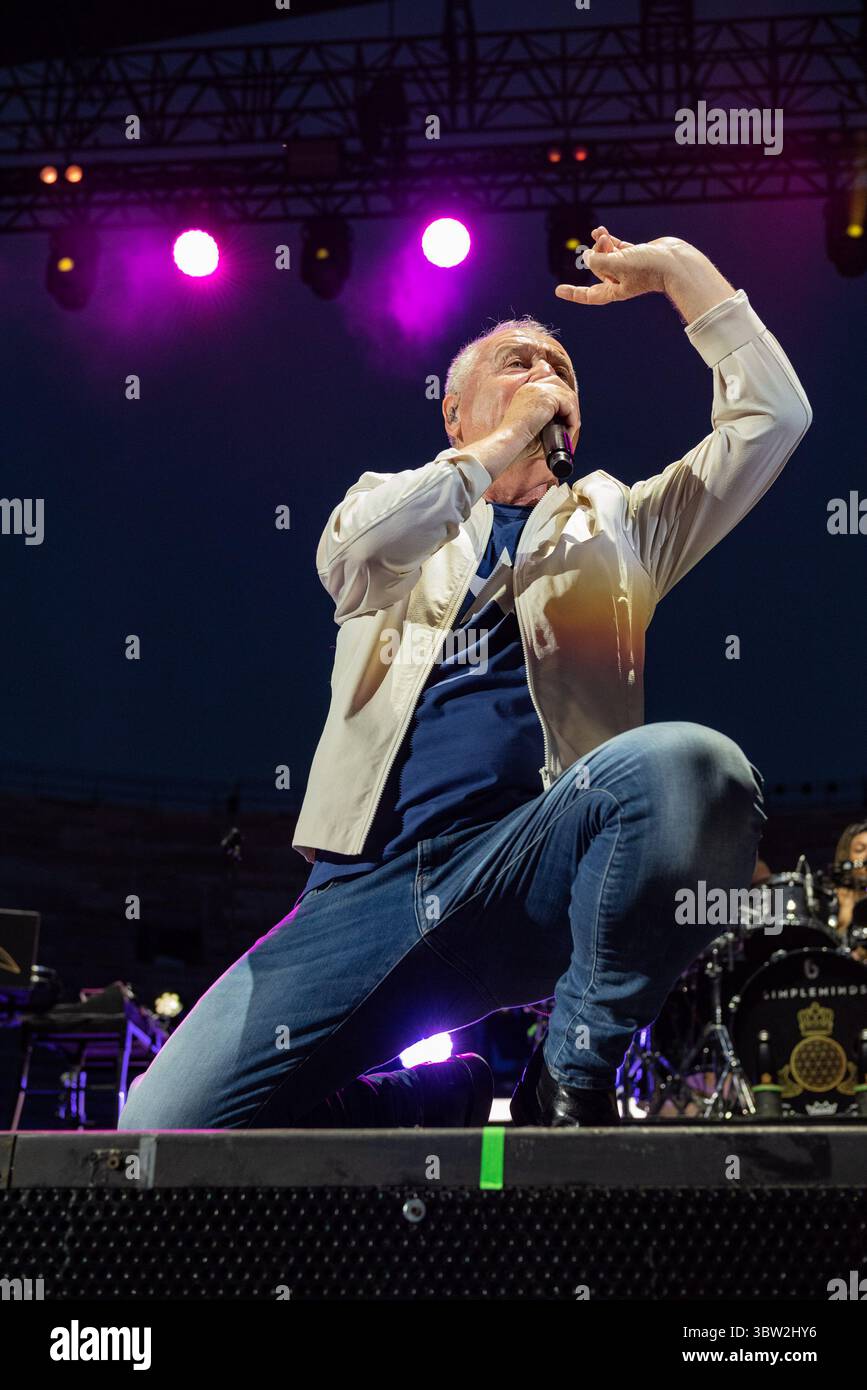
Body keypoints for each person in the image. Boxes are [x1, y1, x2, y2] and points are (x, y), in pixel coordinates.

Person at [118, 227, 811, 1134]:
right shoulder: (391, 505)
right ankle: (428, 1101)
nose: (545, 375)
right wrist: (497, 449)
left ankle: (566, 1077)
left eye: (559, 369)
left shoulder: (624, 525)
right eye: (517, 362)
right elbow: (358, 553)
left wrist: (679, 269)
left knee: (693, 765)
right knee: (159, 1132)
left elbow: (774, 417)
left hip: (528, 865)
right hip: (362, 890)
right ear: (454, 414)